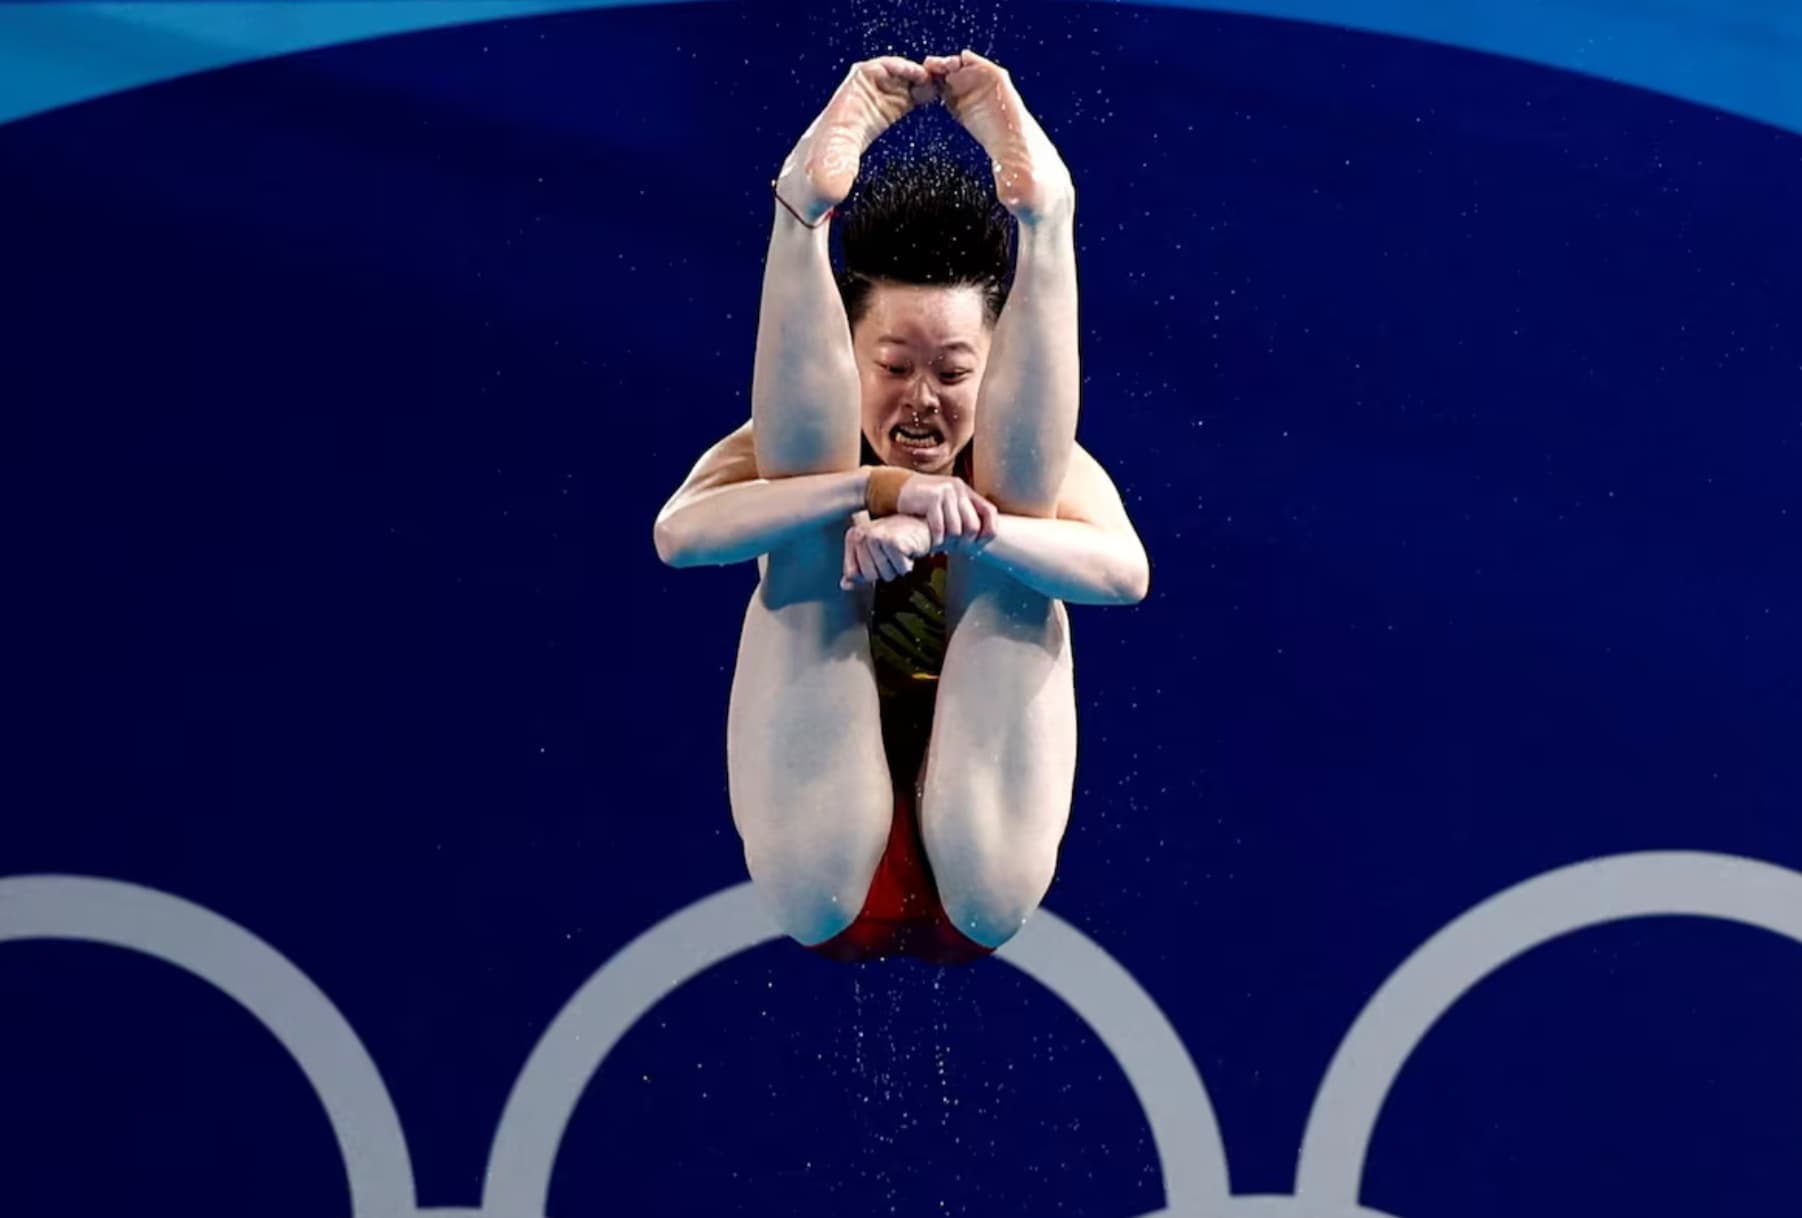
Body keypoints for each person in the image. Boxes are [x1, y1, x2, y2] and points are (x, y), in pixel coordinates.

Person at [654, 52, 1148, 963]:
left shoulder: (1038, 464)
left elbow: (1125, 575)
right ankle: (799, 215)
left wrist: (968, 524)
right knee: (803, 536)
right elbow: (679, 537)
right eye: (891, 367)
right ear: (846, 353)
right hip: (825, 858)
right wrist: (872, 490)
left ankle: (1050, 222)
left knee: (1016, 534)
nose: (922, 401)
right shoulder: (779, 445)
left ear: (995, 366)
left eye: (956, 372)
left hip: (985, 851)